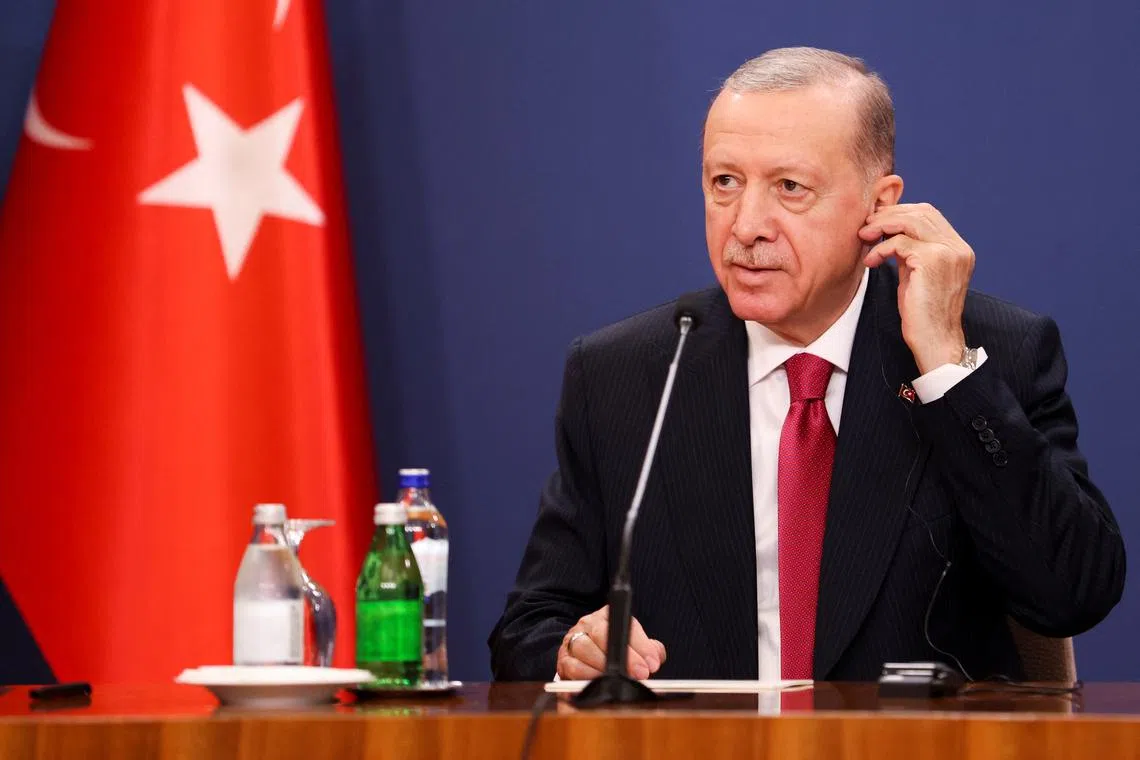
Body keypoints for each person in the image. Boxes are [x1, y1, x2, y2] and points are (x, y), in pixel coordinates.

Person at [488, 47, 1125, 683]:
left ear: (880, 207)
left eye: (789, 187)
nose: (746, 226)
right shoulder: (625, 374)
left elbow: (1072, 593)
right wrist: (577, 650)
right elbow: (528, 628)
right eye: (724, 183)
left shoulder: (993, 352)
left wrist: (946, 370)